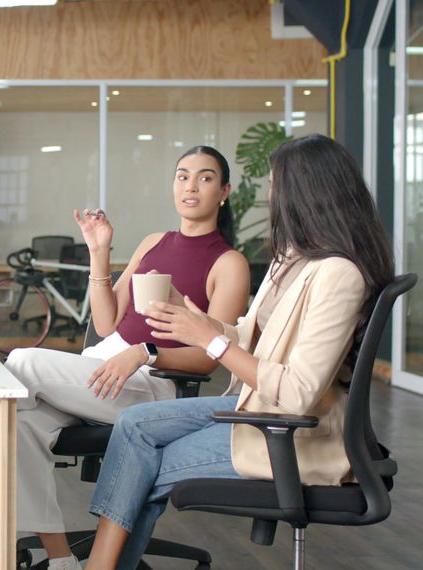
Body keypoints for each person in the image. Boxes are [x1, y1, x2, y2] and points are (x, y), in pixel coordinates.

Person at [81, 134, 395, 570]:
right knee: (134, 427)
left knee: (144, 465)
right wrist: (199, 320)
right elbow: (251, 334)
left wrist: (209, 340)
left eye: (275, 184)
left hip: (291, 431)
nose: (270, 195)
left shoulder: (339, 274)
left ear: (305, 191)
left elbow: (299, 392)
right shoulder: (293, 259)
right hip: (256, 406)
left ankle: (100, 567)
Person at [7, 146, 250, 569]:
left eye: (205, 177)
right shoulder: (154, 243)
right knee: (19, 424)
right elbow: (105, 323)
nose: (190, 185)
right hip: (104, 363)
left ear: (224, 191)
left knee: (22, 364)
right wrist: (99, 251)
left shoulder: (229, 263)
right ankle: (62, 561)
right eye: (182, 175)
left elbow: (211, 358)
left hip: (151, 382)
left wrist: (146, 353)